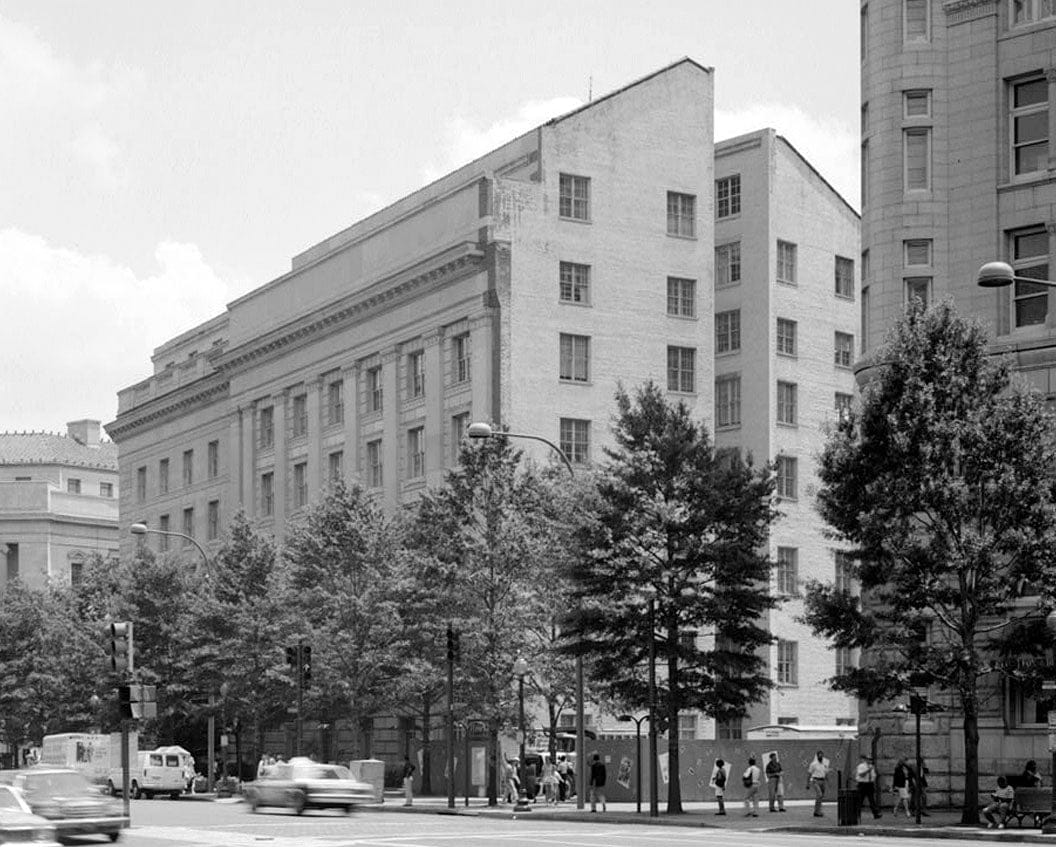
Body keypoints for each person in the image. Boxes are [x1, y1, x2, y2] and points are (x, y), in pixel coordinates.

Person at [855, 754, 881, 819]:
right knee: (860, 800)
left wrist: (874, 777)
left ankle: (876, 814)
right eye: (869, 759)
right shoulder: (861, 766)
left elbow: (874, 775)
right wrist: (868, 771)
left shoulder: (872, 767)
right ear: (866, 760)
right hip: (862, 784)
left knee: (872, 800)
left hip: (870, 784)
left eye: (871, 759)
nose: (870, 761)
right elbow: (861, 774)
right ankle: (856, 814)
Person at [806, 750, 829, 817]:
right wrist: (808, 783)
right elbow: (809, 774)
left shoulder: (825, 764)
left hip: (823, 780)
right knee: (819, 794)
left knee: (821, 797)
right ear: (817, 756)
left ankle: (817, 811)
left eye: (821, 755)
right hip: (815, 780)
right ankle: (817, 811)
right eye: (819, 755)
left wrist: (827, 780)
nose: (820, 756)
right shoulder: (813, 764)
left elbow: (826, 772)